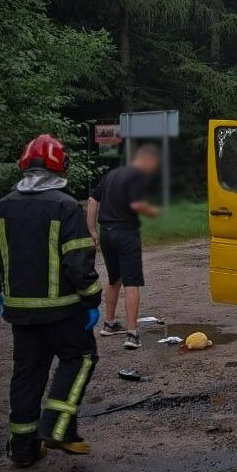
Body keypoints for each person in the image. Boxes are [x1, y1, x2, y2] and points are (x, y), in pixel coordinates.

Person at [0, 135, 101, 467]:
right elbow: (79, 263)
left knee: (28, 373)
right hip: (63, 310)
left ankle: (23, 447)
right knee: (81, 357)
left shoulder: (2, 207)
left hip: (21, 315)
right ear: (61, 166)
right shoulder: (65, 206)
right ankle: (58, 427)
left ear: (23, 166)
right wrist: (92, 300)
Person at [86, 143, 161, 349]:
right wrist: (153, 212)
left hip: (107, 234)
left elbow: (92, 199)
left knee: (115, 279)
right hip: (126, 234)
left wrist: (92, 230)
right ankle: (132, 333)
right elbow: (137, 205)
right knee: (131, 282)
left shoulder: (112, 175)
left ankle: (109, 324)